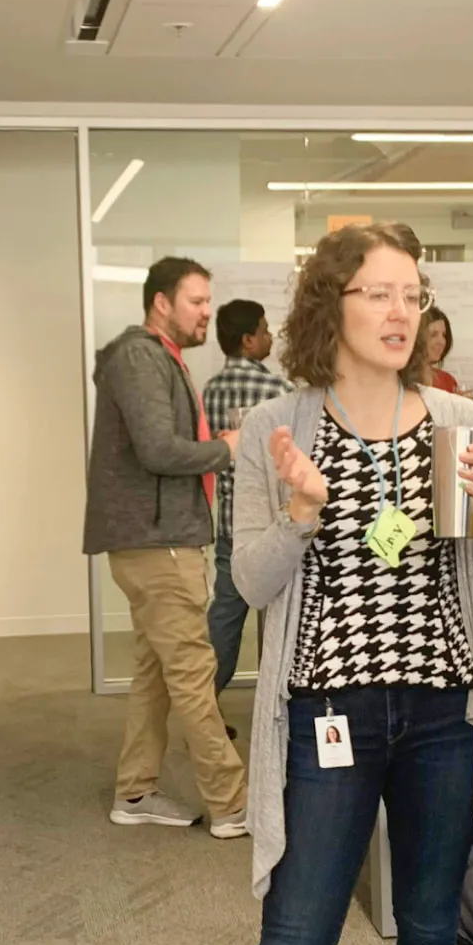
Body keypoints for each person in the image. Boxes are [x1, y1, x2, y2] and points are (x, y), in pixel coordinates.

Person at [95, 222, 473, 945]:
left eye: (412, 294)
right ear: (330, 306)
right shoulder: (276, 427)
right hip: (330, 715)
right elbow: (252, 580)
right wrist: (297, 512)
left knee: (430, 926)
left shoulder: (460, 419)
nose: (400, 311)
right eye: (378, 292)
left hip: (440, 713)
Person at [83, 257, 249, 839]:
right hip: (159, 544)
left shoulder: (160, 358)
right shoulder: (139, 357)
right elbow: (158, 449)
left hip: (161, 538)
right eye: (196, 302)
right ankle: (232, 804)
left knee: (155, 674)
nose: (207, 313)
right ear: (162, 303)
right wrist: (227, 448)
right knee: (194, 674)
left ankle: (135, 792)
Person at [202, 299, 293, 699]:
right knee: (280, 620)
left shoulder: (210, 390)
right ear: (248, 340)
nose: (270, 337)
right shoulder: (278, 391)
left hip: (229, 522)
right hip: (274, 524)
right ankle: (278, 702)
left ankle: (204, 704)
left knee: (225, 617)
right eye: (264, 330)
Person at [423, 304, 463, 393]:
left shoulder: (448, 381)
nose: (441, 342)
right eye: (433, 335)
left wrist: (460, 401)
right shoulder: (399, 381)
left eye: (444, 335)